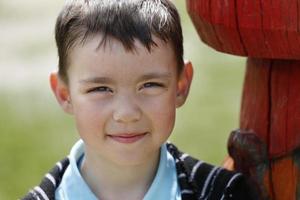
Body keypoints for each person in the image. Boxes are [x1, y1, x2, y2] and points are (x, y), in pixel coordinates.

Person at [22, 0, 258, 199]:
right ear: (65, 94)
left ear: (181, 85)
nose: (126, 113)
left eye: (150, 85)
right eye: (101, 88)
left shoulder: (223, 192)